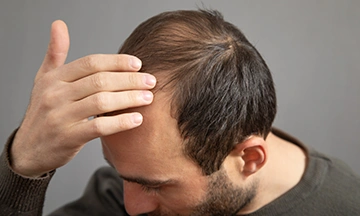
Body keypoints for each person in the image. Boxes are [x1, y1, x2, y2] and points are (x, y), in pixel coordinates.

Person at [0, 9, 359, 216]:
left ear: (249, 158)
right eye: (121, 173)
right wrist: (24, 168)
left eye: (154, 185)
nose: (132, 207)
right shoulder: (116, 195)